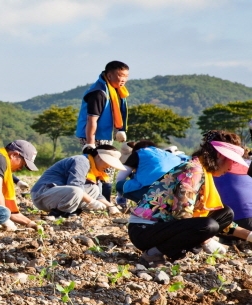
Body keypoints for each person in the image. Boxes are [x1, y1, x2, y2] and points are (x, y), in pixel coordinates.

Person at [127, 130, 252, 268]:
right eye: (231, 162)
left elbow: (206, 218)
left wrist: (248, 235)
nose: (230, 168)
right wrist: (207, 240)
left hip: (162, 227)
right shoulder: (193, 170)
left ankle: (168, 249)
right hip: (144, 230)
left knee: (225, 214)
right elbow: (182, 214)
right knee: (208, 226)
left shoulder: (204, 171)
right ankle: (153, 254)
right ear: (219, 155)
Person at [75, 61, 130, 201]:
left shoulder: (114, 90)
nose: (123, 79)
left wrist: (120, 129)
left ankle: (102, 200)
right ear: (110, 74)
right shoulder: (99, 92)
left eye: (126, 76)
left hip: (104, 135)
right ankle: (98, 200)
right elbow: (91, 120)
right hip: (92, 136)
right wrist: (90, 143)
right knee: (97, 168)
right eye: (120, 75)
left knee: (106, 168)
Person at [30, 145, 125, 218]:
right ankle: (59, 214)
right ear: (100, 157)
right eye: (109, 163)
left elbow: (98, 195)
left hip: (59, 195)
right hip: (42, 194)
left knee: (94, 189)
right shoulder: (81, 161)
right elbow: (75, 185)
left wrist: (110, 206)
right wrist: (92, 202)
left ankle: (70, 212)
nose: (109, 167)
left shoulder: (96, 170)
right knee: (77, 190)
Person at [115, 140, 182, 203]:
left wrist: (120, 196)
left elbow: (120, 177)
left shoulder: (139, 152)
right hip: (174, 194)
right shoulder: (171, 155)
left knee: (120, 185)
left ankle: (144, 206)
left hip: (153, 193)